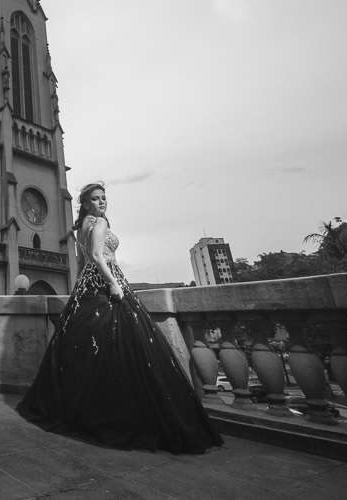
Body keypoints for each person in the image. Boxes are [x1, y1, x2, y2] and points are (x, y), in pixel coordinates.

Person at [17, 182, 223, 454]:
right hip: (106, 282)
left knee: (90, 351)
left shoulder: (80, 227)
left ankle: (87, 409)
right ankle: (120, 412)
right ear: (86, 203)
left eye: (103, 198)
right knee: (123, 346)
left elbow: (81, 263)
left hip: (86, 286)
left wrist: (78, 293)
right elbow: (96, 255)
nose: (102, 202)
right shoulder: (99, 222)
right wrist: (113, 283)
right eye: (95, 199)